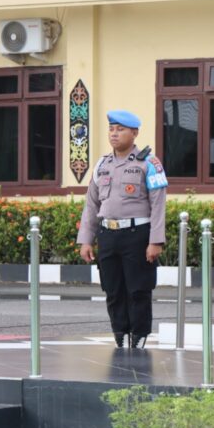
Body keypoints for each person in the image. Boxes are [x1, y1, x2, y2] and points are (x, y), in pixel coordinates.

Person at [76, 110, 168, 348]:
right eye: (111, 129)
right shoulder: (102, 165)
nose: (114, 134)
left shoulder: (149, 163)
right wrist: (86, 239)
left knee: (138, 289)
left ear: (134, 133)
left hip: (137, 235)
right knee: (113, 289)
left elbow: (158, 204)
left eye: (120, 129)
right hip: (108, 234)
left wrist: (155, 241)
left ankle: (138, 337)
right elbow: (91, 204)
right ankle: (120, 335)